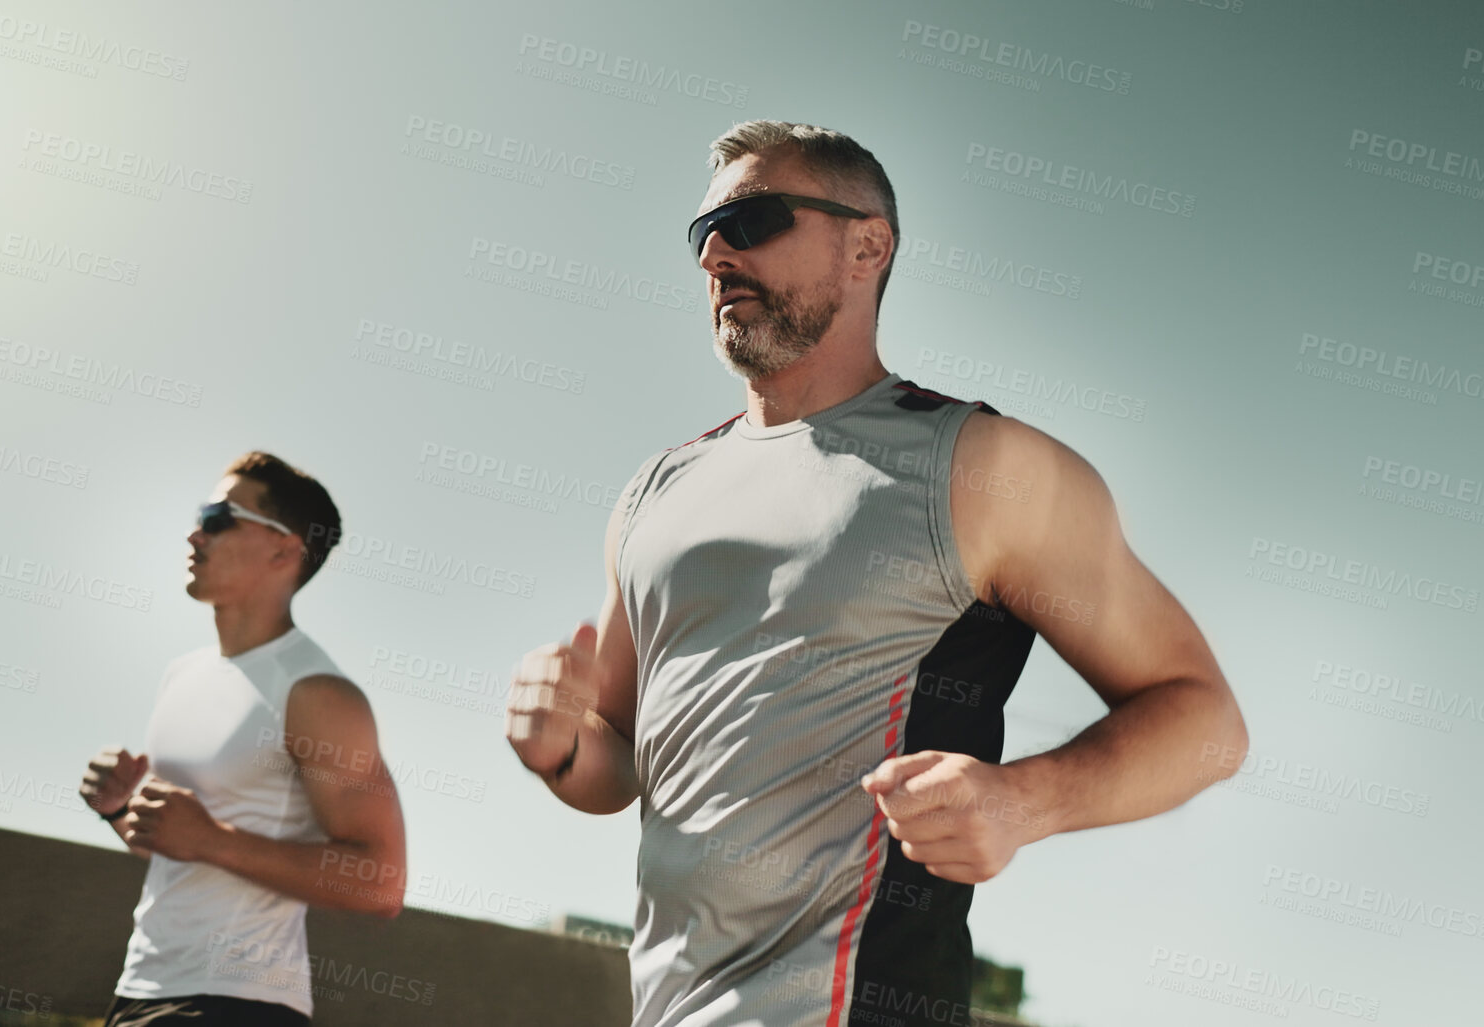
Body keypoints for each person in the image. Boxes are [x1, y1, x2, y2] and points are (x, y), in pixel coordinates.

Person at [504, 121, 1249, 1027]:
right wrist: (558, 746)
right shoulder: (653, 493)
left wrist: (1023, 801)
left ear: (867, 244)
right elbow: (613, 758)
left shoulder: (983, 468)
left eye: (751, 219)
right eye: (700, 235)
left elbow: (1205, 719)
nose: (715, 255)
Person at [81, 451, 406, 1027]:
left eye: (218, 517)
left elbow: (381, 882)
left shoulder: (318, 693)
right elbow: (175, 844)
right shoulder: (182, 675)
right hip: (140, 990)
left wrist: (213, 840)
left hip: (240, 1003)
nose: (194, 532)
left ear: (284, 549)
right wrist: (119, 809)